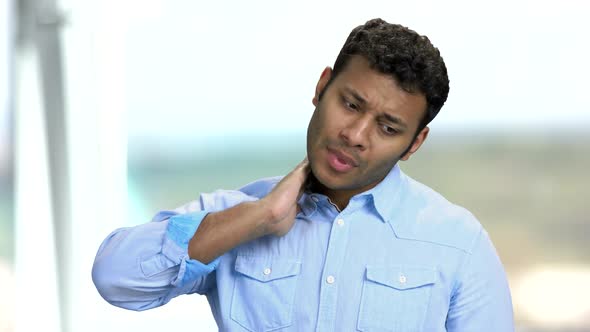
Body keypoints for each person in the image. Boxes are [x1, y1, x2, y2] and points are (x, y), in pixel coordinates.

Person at [92, 18, 514, 331]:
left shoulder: (459, 243)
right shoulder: (238, 215)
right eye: (350, 104)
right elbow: (115, 278)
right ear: (322, 87)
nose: (355, 135)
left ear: (414, 143)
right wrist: (258, 219)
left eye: (387, 128)